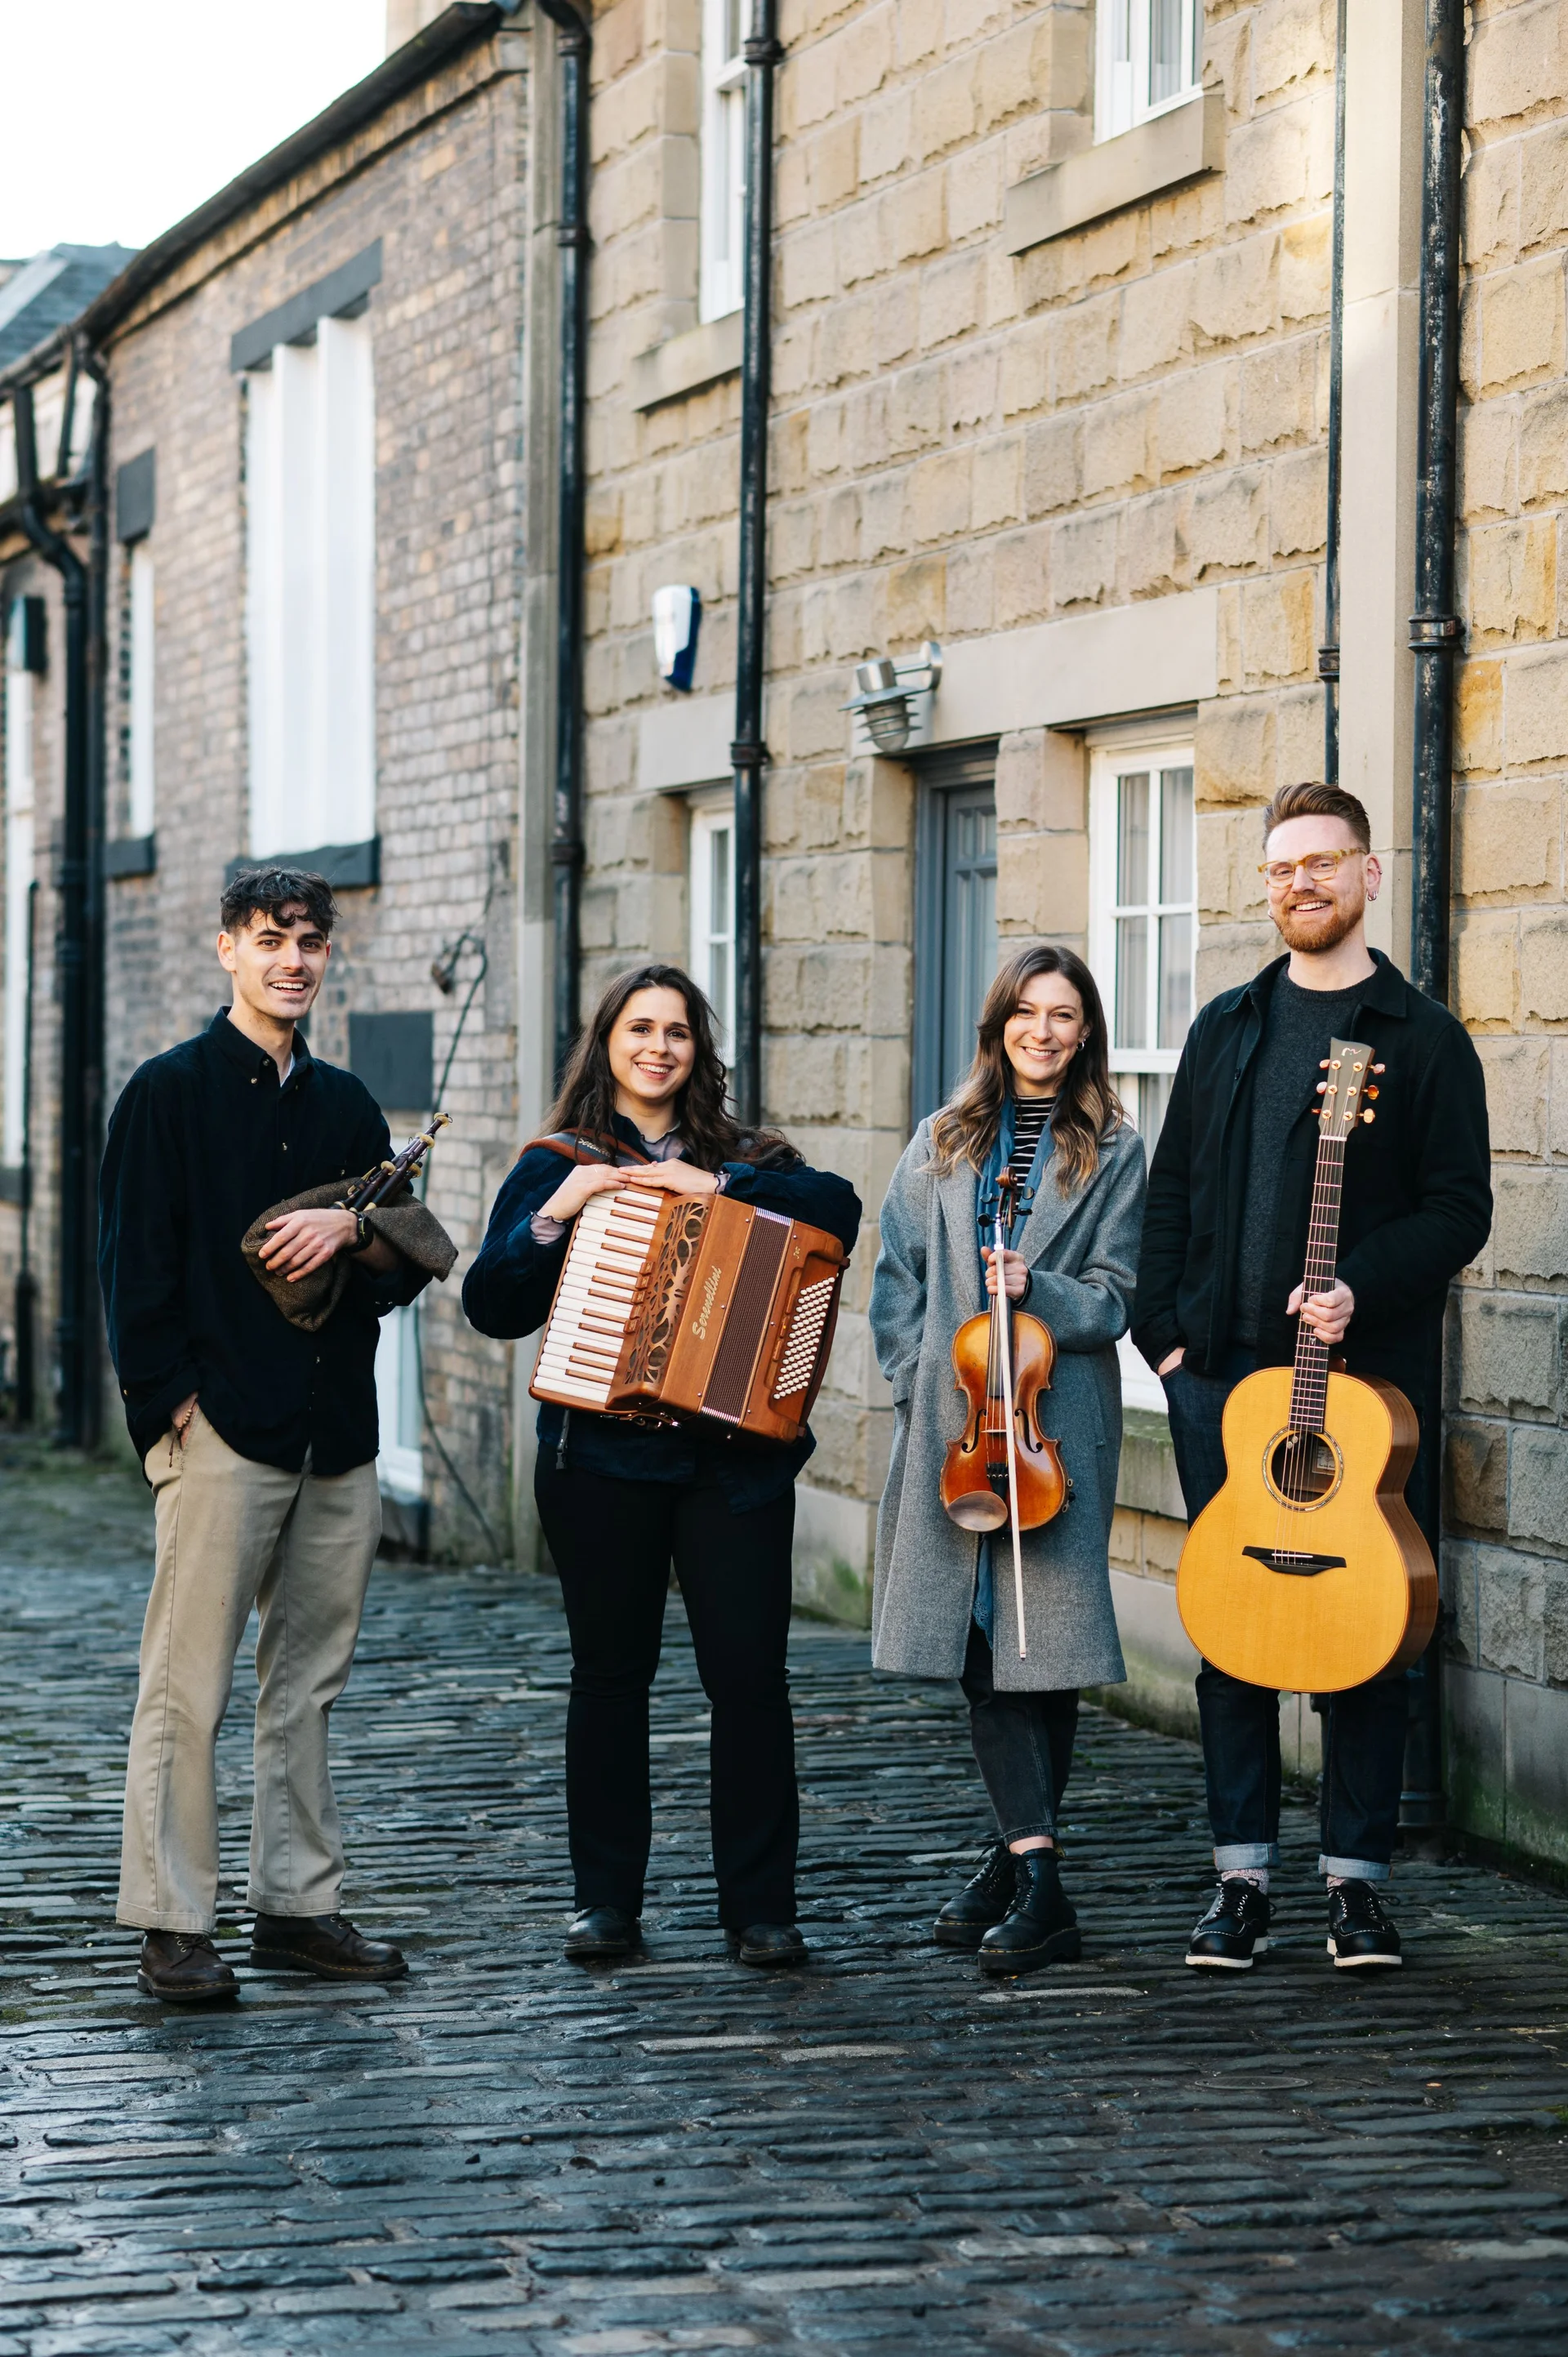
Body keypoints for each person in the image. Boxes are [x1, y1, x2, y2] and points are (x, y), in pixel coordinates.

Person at [1132, 781, 1492, 1971]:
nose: (1300, 884)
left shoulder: (1424, 1039)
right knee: (1231, 1634)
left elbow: (1459, 1207)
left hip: (1365, 1391)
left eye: (1323, 864)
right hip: (1220, 1383)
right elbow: (1172, 1187)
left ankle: (1356, 1883)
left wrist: (1360, 1286)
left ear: (1369, 874)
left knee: (1364, 1627)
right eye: (1281, 867)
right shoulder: (1230, 1024)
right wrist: (1167, 1344)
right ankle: (1239, 1880)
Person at [463, 964, 861, 1968]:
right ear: (607, 1044)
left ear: (698, 1051)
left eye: (678, 1032)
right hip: (599, 1461)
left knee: (750, 1682)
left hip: (731, 1470)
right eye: (639, 1029)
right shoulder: (561, 1158)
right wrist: (559, 1212)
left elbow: (838, 1209)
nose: (659, 1047)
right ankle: (606, 1904)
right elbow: (491, 1304)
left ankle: (760, 1910)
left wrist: (716, 1185)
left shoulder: (752, 1155)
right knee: (609, 1678)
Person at [99, 868, 431, 2003]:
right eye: (271, 939)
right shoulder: (167, 1093)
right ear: (227, 949)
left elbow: (395, 1275)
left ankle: (297, 1905)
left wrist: (359, 1229)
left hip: (334, 1429)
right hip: (221, 1429)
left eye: (311, 942)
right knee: (186, 1685)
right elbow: (133, 1270)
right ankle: (171, 1921)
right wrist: (169, 1413)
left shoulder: (344, 1104)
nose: (295, 959)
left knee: (309, 1684)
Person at [869, 943, 1146, 1975]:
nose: (1043, 1031)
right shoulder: (941, 1139)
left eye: (1063, 1015)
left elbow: (1119, 1293)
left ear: (1084, 1033)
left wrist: (1043, 1287)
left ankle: (1028, 1874)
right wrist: (913, 1377)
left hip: (1051, 1426)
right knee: (981, 1641)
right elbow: (896, 1272)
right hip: (953, 1426)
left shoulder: (1113, 1147)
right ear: (999, 1027)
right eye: (1026, 1013)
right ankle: (1030, 1869)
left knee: (1046, 1644)